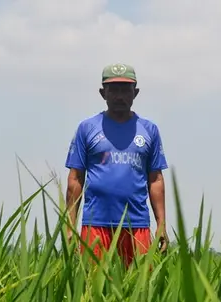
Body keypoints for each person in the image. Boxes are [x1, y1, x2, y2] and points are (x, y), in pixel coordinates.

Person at [64, 63, 168, 267]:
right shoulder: (87, 128)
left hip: (137, 225)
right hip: (96, 225)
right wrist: (69, 225)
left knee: (139, 289)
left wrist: (161, 224)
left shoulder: (149, 130)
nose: (119, 96)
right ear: (103, 93)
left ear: (135, 93)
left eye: (125, 90)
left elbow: (155, 180)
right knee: (92, 290)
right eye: (114, 90)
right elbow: (75, 178)